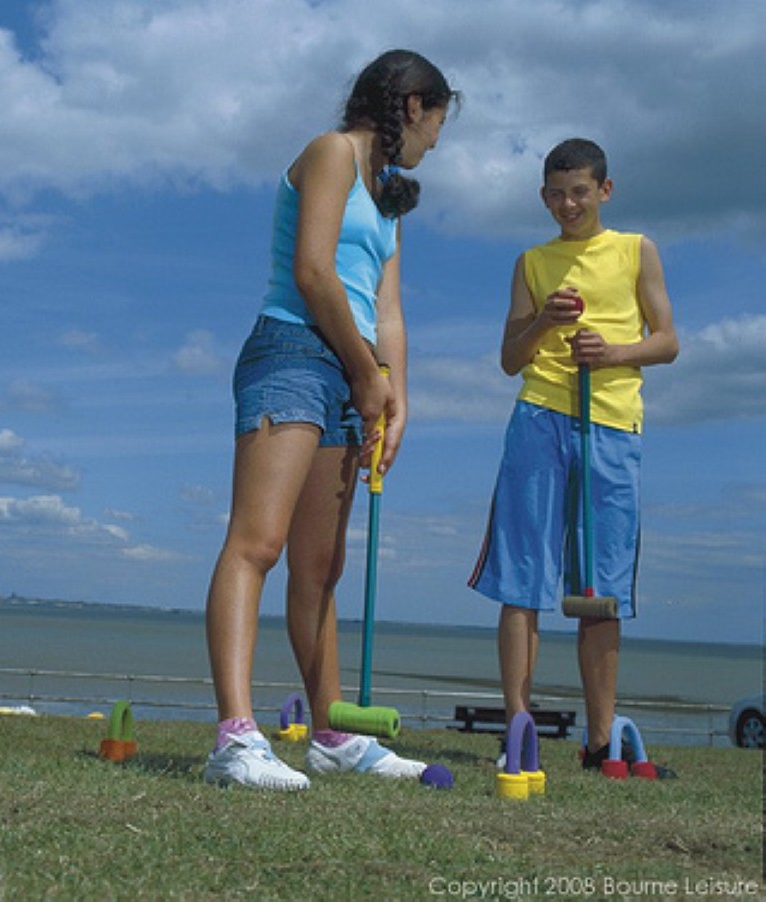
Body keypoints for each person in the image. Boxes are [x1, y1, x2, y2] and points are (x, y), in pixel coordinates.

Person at [203, 50, 458, 790]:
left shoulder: (388, 203)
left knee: (322, 568)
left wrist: (395, 392)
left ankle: (334, 737)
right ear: (412, 106)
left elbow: (389, 312)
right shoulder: (330, 154)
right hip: (291, 351)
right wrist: (361, 370)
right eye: (435, 125)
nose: (434, 145)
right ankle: (235, 738)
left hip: (356, 374)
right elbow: (314, 271)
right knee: (258, 542)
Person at [468, 138, 679, 773]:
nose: (567, 203)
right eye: (556, 193)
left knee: (602, 589)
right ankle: (518, 730)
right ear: (543, 195)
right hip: (538, 419)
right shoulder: (531, 262)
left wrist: (611, 352)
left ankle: (599, 742)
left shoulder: (637, 249)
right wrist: (544, 326)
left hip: (613, 425)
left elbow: (667, 342)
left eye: (579, 192)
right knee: (521, 578)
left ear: (604, 191)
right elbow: (510, 359)